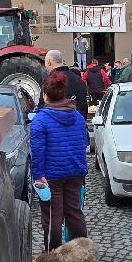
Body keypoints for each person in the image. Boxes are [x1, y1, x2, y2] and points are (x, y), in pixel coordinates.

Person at [30, 71, 89, 251]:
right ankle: (82, 252)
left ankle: (53, 255)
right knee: (74, 213)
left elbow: (38, 151)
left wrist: (38, 176)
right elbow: (85, 142)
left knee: (52, 216)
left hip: (51, 176)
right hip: (75, 173)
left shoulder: (40, 119)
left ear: (45, 95)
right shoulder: (77, 116)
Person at [43, 49, 89, 119]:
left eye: (45, 62)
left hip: (53, 123)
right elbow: (84, 107)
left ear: (49, 62)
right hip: (76, 122)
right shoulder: (79, 80)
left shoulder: (49, 81)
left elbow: (43, 106)